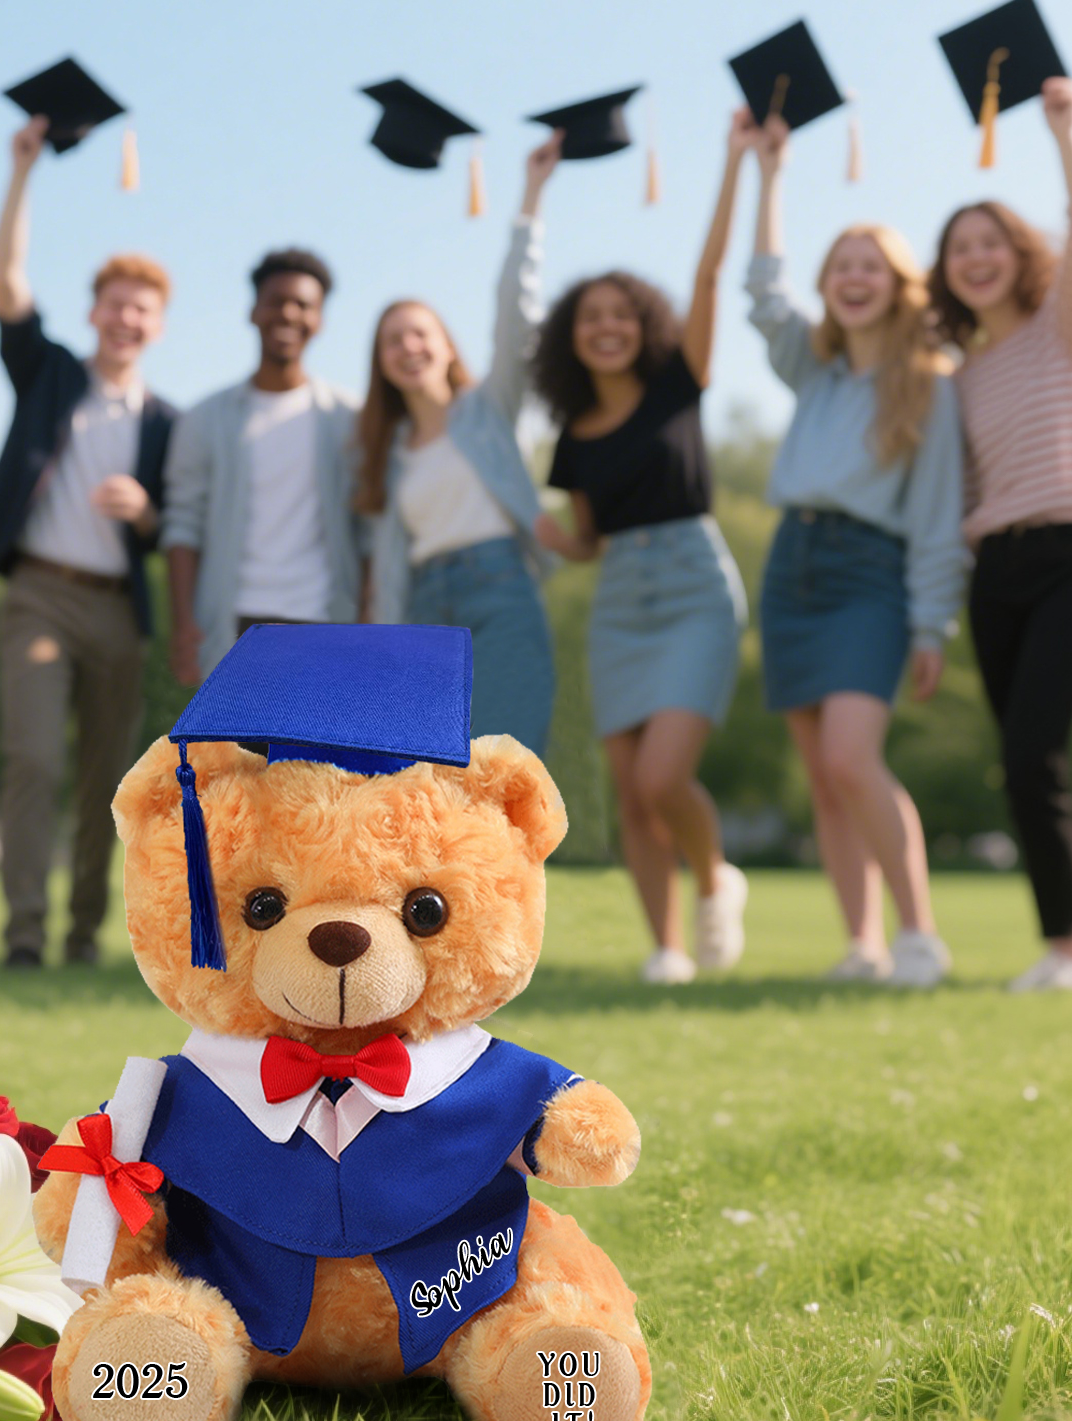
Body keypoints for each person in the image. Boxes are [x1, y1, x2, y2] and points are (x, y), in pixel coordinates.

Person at [534, 112, 755, 985]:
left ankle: (716, 876)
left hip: (694, 583)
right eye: (592, 317)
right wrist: (563, 540)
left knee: (665, 777)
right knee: (630, 789)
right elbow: (589, 539)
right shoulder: (572, 436)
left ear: (644, 323)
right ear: (572, 335)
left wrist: (734, 161)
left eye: (623, 313)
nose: (608, 327)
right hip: (620, 594)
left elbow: (708, 272)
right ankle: (665, 946)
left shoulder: (676, 383)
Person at [747, 112, 967, 988]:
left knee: (850, 755)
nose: (852, 279)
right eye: (839, 268)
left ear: (899, 282)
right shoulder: (815, 368)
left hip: (868, 571)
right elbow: (763, 293)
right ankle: (861, 944)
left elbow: (939, 513)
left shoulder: (929, 388)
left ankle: (918, 935)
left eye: (868, 266)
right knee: (820, 771)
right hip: (790, 565)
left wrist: (929, 624)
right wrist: (769, 173)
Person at [0, 115, 176, 970]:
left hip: (117, 611)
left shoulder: (167, 424)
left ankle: (84, 931)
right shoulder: (50, 374)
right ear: (94, 312)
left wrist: (145, 514)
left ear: (158, 326)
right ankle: (22, 932)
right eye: (115, 304)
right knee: (33, 759)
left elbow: (174, 527)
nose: (126, 319)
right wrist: (21, 172)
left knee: (105, 783)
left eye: (143, 310)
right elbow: (6, 279)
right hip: (39, 595)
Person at [932, 76, 1072, 992]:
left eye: (990, 243)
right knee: (1024, 767)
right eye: (958, 250)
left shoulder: (1058, 321)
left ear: (1021, 252)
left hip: (1068, 546)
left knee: (1035, 749)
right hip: (999, 571)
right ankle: (1060, 944)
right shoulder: (955, 372)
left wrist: (1062, 130)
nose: (975, 258)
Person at [355, 138, 558, 755]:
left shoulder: (489, 409)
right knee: (431, 772)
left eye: (419, 333)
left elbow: (514, 317)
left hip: (500, 588)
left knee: (506, 761)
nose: (408, 346)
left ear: (446, 344)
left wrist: (529, 202)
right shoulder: (386, 452)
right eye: (393, 340)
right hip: (424, 608)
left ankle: (511, 860)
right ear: (382, 364)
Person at [163, 247, 359, 685]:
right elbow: (182, 525)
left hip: (325, 627)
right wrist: (185, 628)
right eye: (275, 301)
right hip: (234, 631)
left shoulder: (350, 420)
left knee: (317, 758)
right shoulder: (204, 419)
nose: (288, 313)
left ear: (320, 320)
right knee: (242, 757)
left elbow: (368, 529)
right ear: (253, 312)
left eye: (304, 305)